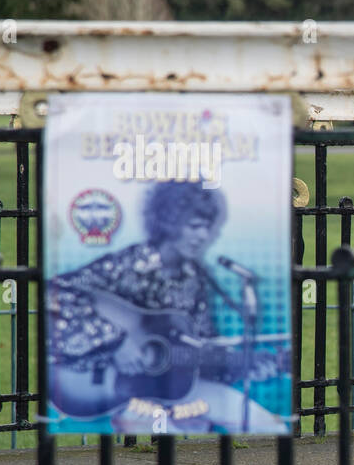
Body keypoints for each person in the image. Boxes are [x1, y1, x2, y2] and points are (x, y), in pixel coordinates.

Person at [48, 184, 287, 434]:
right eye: (194, 226)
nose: (203, 236)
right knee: (176, 436)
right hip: (117, 392)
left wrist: (244, 365)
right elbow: (56, 292)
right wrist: (115, 342)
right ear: (168, 223)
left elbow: (200, 351)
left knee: (268, 426)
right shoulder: (129, 263)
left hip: (170, 392)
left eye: (208, 227)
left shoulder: (195, 279)